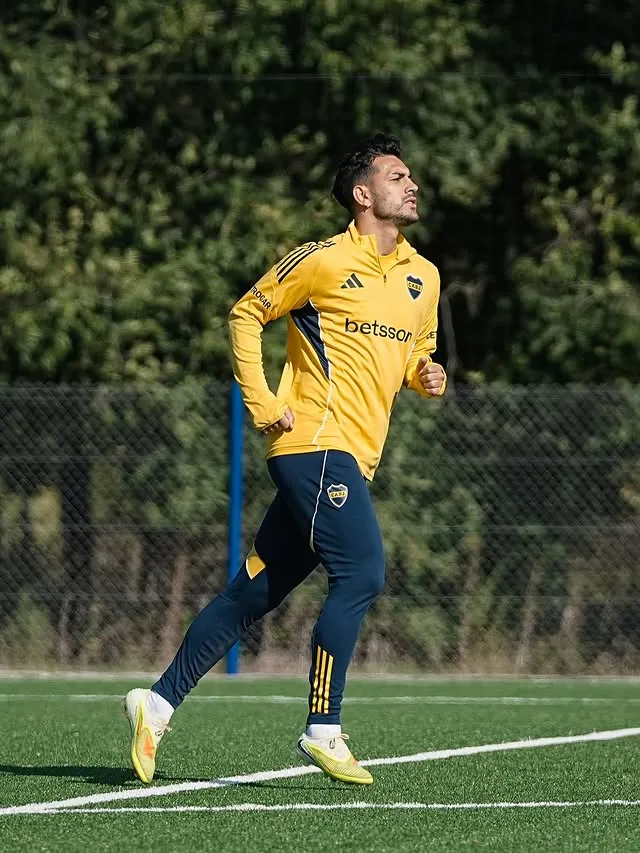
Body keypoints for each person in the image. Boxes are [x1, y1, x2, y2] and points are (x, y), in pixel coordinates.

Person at [124, 133, 446, 786]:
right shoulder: (323, 261)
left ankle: (154, 703)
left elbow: (415, 352)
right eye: (396, 175)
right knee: (362, 571)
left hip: (350, 462)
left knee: (254, 592)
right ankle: (323, 728)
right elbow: (246, 314)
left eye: (412, 176)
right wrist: (264, 402)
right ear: (363, 194)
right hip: (312, 446)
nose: (411, 184)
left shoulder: (425, 276)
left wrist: (424, 374)